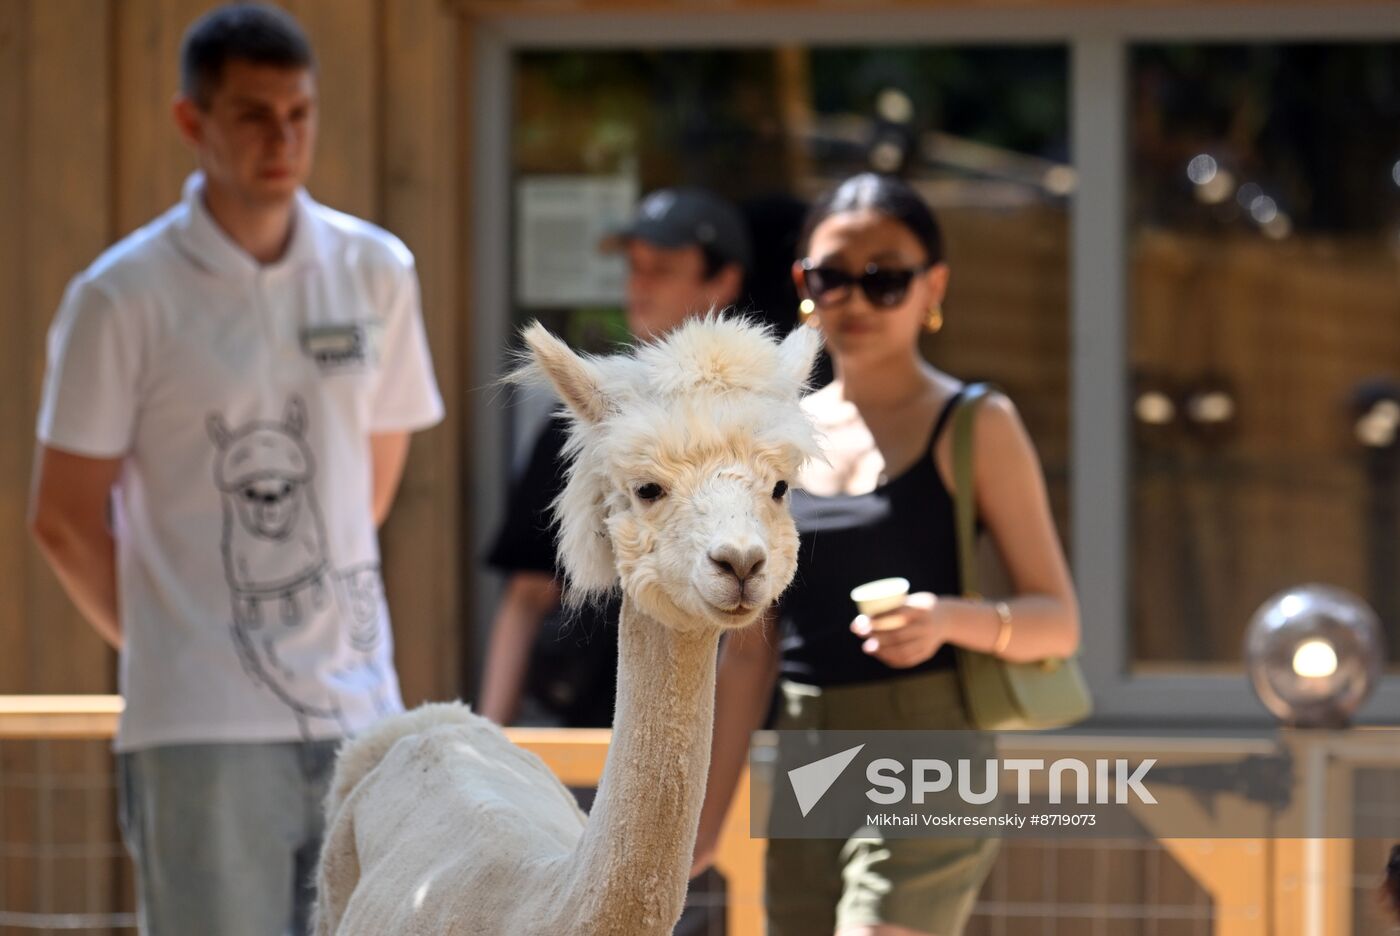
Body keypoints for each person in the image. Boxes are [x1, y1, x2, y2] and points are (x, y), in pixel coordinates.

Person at [26, 5, 443, 934]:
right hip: (199, 728)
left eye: (299, 113)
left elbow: (367, 487)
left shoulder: (377, 269)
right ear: (192, 121)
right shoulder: (120, 296)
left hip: (360, 713)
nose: (282, 138)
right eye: (254, 115)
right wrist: (182, 641)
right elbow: (61, 517)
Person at [690, 173, 1081, 936]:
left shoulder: (977, 423)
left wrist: (946, 620)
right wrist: (703, 824)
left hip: (928, 744)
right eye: (834, 277)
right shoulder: (773, 435)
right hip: (804, 744)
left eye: (886, 278)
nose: (857, 301)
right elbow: (748, 657)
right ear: (805, 285)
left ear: (933, 285)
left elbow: (1057, 622)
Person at [478, 186, 750, 729]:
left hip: (727, 738)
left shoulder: (764, 429)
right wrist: (490, 739)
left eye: (664, 268)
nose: (639, 285)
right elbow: (527, 594)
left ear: (722, 283)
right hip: (594, 734)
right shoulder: (582, 420)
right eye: (635, 267)